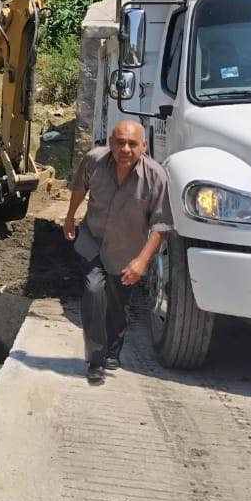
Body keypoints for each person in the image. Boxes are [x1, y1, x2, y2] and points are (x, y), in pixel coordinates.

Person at [64, 120, 172, 386]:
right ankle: (96, 361)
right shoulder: (94, 161)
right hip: (93, 240)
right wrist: (69, 217)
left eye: (132, 143)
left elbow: (161, 225)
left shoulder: (155, 177)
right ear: (110, 143)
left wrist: (142, 261)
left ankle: (113, 350)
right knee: (93, 291)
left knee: (118, 303)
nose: (125, 148)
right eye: (119, 142)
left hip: (127, 250)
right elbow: (80, 187)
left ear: (144, 146)